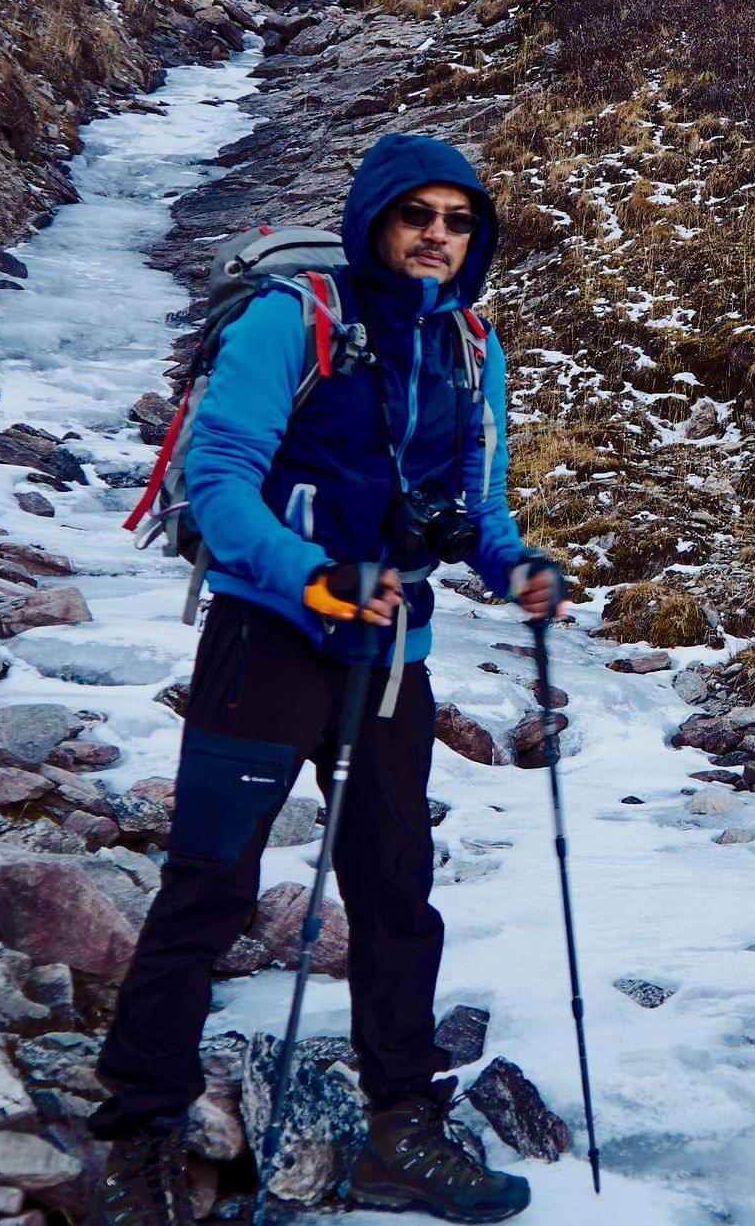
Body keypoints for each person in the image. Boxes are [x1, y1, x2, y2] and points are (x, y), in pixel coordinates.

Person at [89, 135, 559, 1226]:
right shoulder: (290, 319)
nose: (437, 236)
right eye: (417, 216)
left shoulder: (470, 344)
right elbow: (218, 482)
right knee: (211, 887)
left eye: (457, 220)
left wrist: (515, 564)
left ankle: (401, 1127)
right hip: (266, 643)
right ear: (374, 222)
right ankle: (139, 1131)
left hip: (392, 656)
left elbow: (478, 507)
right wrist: (315, 578)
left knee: (397, 893)